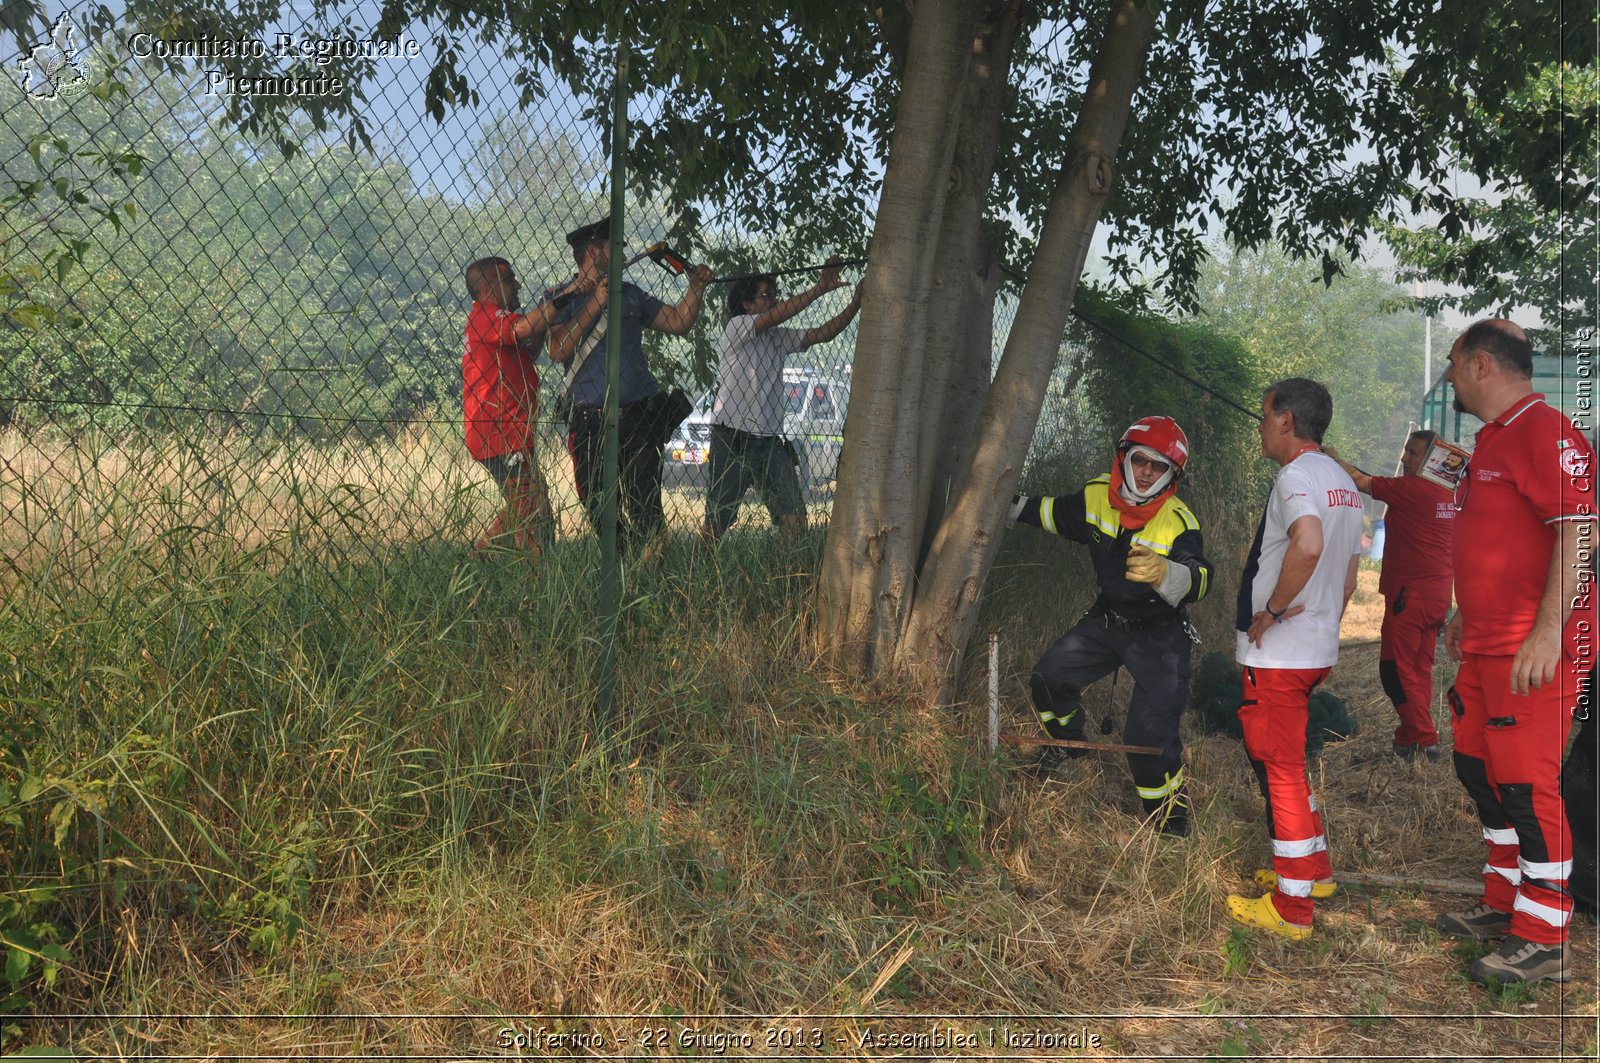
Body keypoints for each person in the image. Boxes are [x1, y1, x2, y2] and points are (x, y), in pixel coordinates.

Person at [1432, 318, 1594, 986]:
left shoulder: (1545, 429)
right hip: (1486, 647)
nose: (1447, 375)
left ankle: (1543, 936)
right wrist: (1465, 612)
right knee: (1481, 770)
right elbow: (1501, 543)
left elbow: (1581, 530)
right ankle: (1505, 904)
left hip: (1533, 652)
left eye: (1452, 362)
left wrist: (1550, 631)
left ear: (1479, 365)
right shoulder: (1494, 439)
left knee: (1528, 789)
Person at [1011, 416, 1213, 837]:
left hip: (1160, 631)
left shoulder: (1179, 521)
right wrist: (1005, 505)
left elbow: (1201, 577)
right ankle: (1068, 747)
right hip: (1108, 619)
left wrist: (1165, 573)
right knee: (1049, 678)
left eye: (1158, 467)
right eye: (1140, 460)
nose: (1145, 473)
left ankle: (1169, 822)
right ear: (1123, 457)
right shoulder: (1096, 495)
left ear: (1171, 475)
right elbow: (1055, 513)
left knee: (1148, 733)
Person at [1226, 378, 1363, 940]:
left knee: (1279, 771)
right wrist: (1323, 619)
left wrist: (1274, 611)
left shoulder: (1297, 477)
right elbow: (1350, 573)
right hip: (1315, 649)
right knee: (1292, 764)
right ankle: (1315, 872)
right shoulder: (1343, 482)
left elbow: (1307, 544)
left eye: (1264, 416)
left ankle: (1292, 908)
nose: (1259, 426)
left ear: (1286, 420)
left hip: (1280, 654)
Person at [548, 217, 715, 554]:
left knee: (645, 502)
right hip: (589, 419)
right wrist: (596, 301)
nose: (623, 253)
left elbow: (679, 321)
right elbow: (558, 349)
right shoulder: (560, 298)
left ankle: (652, 562)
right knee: (597, 504)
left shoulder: (632, 294)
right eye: (616, 247)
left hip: (640, 415)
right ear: (594, 252)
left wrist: (696, 287)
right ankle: (623, 559)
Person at [702, 262, 863, 540]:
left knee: (794, 515)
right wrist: (820, 288)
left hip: (767, 440)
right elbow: (778, 315)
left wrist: (855, 303)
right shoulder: (738, 326)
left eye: (775, 294)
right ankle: (697, 570)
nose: (775, 300)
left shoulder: (777, 337)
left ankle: (790, 574)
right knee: (718, 518)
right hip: (733, 437)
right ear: (747, 304)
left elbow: (823, 334)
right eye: (767, 295)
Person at [1328, 430, 1455, 760]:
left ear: (1430, 460)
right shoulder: (1450, 494)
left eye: (1413, 454)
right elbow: (1369, 478)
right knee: (1418, 670)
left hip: (1409, 596)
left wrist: (1332, 456)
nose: (1404, 459)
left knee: (1395, 670)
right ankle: (1409, 736)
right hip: (1438, 597)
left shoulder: (1413, 490)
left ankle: (1424, 738)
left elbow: (1359, 481)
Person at [462, 256, 569, 556]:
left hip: (510, 431)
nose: (517, 284)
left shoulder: (494, 322)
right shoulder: (486, 315)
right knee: (531, 508)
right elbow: (522, 328)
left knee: (530, 501)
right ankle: (535, 576)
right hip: (500, 432)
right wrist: (560, 302)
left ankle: (481, 554)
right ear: (486, 288)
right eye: (509, 279)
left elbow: (526, 349)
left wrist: (545, 316)